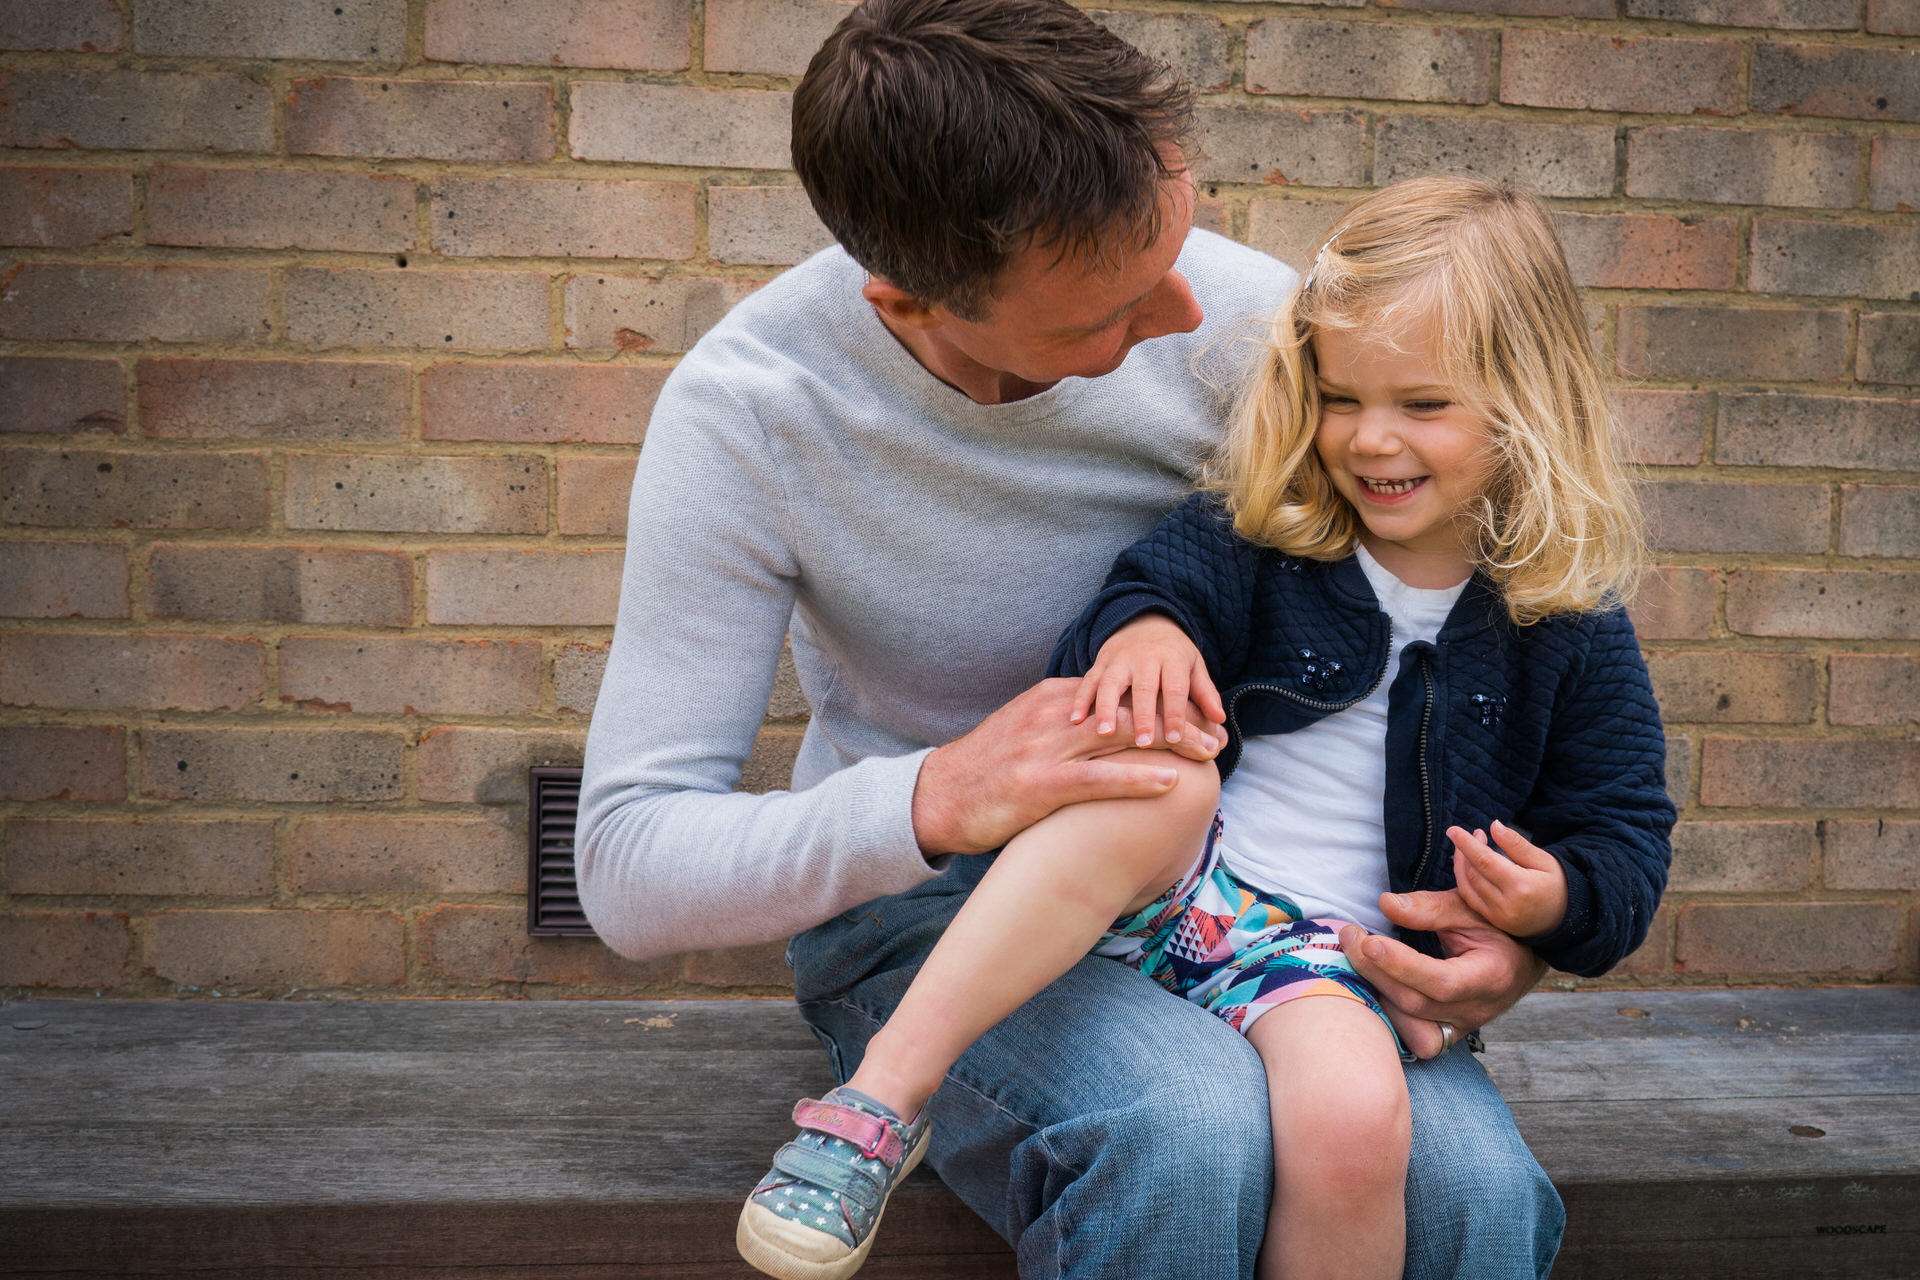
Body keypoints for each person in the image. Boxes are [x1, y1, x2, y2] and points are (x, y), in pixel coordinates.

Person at [578, 2, 1571, 1277]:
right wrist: (945, 793)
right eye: (1105, 313)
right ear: (913, 300)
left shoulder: (1265, 330)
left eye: (1178, 240)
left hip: (1249, 894)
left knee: (1475, 1192)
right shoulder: (755, 416)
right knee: (1185, 1131)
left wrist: (1524, 934)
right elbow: (625, 862)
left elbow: (1502, 609)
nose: (1183, 312)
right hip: (936, 915)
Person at [733, 176, 1676, 1280]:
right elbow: (1142, 600)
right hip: (1165, 893)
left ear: (1530, 405)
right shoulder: (1265, 537)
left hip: (1329, 963)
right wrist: (1142, 635)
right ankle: (879, 1098)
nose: (1371, 440)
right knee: (1165, 775)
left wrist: (1555, 899)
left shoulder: (1567, 627)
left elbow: (1624, 833)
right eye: (1341, 396)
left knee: (1360, 1118)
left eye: (1423, 405)